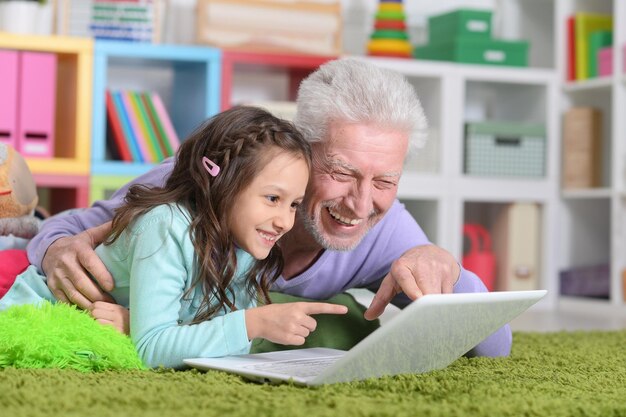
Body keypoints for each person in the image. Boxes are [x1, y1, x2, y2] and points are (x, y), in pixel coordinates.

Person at [27, 58, 512, 357]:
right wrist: (55, 249)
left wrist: (445, 266)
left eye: (386, 180)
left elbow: (494, 343)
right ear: (301, 152)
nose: (361, 203)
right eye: (341, 173)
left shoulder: (389, 234)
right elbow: (74, 227)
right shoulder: (200, 187)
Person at [0, 106, 348, 368]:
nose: (284, 221)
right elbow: (154, 348)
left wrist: (134, 323)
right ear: (220, 183)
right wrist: (252, 323)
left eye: (294, 205)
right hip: (36, 298)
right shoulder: (166, 226)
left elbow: (222, 344)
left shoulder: (247, 246)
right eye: (272, 199)